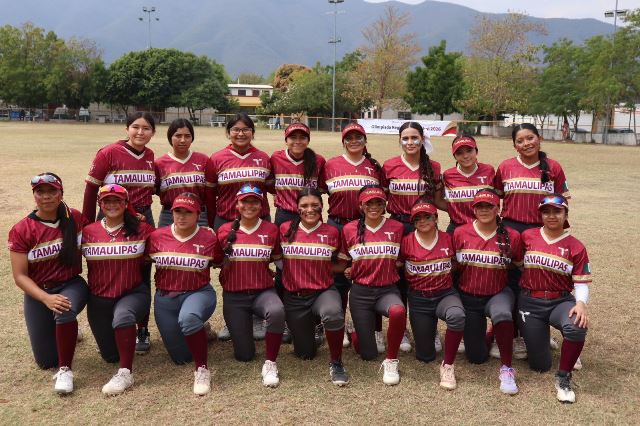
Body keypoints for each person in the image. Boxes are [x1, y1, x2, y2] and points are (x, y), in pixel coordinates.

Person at [82, 111, 157, 354]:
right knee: (105, 271)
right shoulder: (109, 152)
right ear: (127, 129)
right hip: (111, 213)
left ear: (153, 132)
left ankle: (142, 329)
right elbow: (91, 189)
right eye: (135, 126)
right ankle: (106, 323)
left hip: (143, 217)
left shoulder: (150, 155)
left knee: (142, 273)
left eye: (146, 128)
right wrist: (86, 223)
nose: (140, 132)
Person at [494, 123, 571, 359]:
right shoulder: (505, 167)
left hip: (541, 232)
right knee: (513, 283)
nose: (526, 143)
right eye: (520, 140)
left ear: (539, 139)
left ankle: (540, 330)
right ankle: (516, 336)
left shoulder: (554, 167)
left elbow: (562, 204)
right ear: (514, 145)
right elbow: (495, 200)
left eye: (530, 138)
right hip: (512, 230)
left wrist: (556, 234)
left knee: (540, 281)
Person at [8, 173, 88, 394]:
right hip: (39, 292)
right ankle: (69, 331)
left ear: (61, 193)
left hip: (71, 284)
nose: (46, 196)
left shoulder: (75, 218)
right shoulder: (22, 229)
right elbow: (20, 276)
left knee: (63, 308)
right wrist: (45, 298)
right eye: (40, 192)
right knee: (45, 361)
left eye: (52, 191)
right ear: (34, 195)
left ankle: (65, 370)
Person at [81, 184, 154, 395]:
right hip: (99, 299)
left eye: (117, 201)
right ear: (100, 204)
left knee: (123, 317)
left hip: (132, 292)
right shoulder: (88, 232)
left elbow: (168, 242)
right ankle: (117, 347)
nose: (112, 205)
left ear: (126, 203)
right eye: (107, 201)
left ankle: (125, 373)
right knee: (110, 356)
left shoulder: (142, 229)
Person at [205, 112, 272, 341]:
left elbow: (272, 188)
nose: (241, 133)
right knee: (230, 269)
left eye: (245, 129)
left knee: (258, 266)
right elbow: (210, 195)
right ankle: (232, 317)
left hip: (259, 221)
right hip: (226, 219)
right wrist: (214, 224)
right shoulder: (217, 158)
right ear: (228, 132)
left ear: (252, 132)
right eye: (235, 129)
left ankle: (257, 317)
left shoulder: (263, 158)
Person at [147, 192, 223, 395]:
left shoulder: (209, 237)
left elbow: (221, 262)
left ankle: (202, 369)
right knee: (181, 358)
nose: (181, 216)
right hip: (165, 298)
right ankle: (202, 331)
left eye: (188, 212)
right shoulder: (156, 236)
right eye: (177, 211)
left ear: (198, 214)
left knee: (188, 318)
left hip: (197, 293)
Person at [381, 121, 445, 353]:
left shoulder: (433, 166)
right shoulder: (389, 165)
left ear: (422, 139)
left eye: (414, 137)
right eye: (405, 138)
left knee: (427, 278)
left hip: (425, 227)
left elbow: (438, 200)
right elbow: (379, 199)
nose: (410, 142)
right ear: (399, 140)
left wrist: (467, 214)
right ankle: (402, 329)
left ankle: (431, 329)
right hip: (397, 227)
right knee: (398, 279)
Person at [518, 195, 590, 403]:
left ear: (565, 214)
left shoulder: (576, 246)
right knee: (540, 365)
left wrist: (581, 303)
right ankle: (545, 340)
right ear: (540, 215)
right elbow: (516, 263)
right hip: (530, 302)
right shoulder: (527, 236)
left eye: (557, 211)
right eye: (546, 211)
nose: (551, 216)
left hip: (560, 301)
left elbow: (580, 282)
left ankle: (564, 376)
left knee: (576, 325)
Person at [453, 189, 523, 395]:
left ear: (497, 209)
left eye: (489, 206)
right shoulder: (460, 233)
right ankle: (491, 335)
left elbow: (517, 265)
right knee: (476, 357)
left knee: (502, 314)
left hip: (497, 292)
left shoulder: (512, 235)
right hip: (469, 295)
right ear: (474, 210)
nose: (484, 210)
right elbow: (454, 266)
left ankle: (507, 368)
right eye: (479, 206)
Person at [216, 185, 285, 387]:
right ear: (237, 204)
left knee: (277, 310)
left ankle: (270, 362)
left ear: (261, 205)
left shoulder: (271, 229)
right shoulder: (224, 230)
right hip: (234, 295)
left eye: (254, 201)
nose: (249, 205)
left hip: (263, 292)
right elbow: (215, 261)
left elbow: (279, 261)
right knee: (244, 355)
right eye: (245, 201)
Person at [320, 122, 382, 349]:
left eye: (359, 137)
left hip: (366, 227)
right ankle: (338, 325)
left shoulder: (374, 166)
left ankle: (373, 328)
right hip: (337, 224)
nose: (354, 141)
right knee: (338, 278)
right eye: (349, 138)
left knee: (370, 277)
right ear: (343, 141)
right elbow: (319, 193)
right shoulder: (330, 165)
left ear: (365, 141)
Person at [280, 188, 349, 386]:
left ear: (322, 206)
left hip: (323, 292)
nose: (309, 209)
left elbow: (341, 264)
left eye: (314, 205)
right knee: (305, 353)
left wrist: (320, 267)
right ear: (297, 208)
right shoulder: (285, 229)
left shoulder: (332, 232)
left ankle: (336, 362)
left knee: (333, 313)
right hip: (295, 296)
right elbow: (275, 257)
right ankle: (314, 329)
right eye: (304, 205)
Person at [338, 186, 406, 385]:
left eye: (378, 203)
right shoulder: (349, 229)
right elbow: (344, 261)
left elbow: (402, 259)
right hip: (360, 292)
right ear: (361, 206)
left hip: (387, 289)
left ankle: (391, 360)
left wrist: (384, 263)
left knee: (398, 311)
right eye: (369, 203)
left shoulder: (397, 227)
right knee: (368, 354)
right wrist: (349, 269)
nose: (374, 207)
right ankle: (353, 331)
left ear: (385, 205)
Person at [269, 122, 326, 343]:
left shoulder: (318, 161)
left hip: (311, 216)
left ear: (308, 140)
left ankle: (316, 321)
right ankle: (285, 321)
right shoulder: (275, 158)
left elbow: (321, 189)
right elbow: (269, 184)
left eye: (302, 137)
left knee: (314, 267)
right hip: (285, 216)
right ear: (286, 139)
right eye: (293, 137)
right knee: (283, 269)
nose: (297, 141)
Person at [400, 199, 464, 390]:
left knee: (457, 315)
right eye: (417, 218)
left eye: (427, 216)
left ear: (436, 218)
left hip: (445, 294)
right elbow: (398, 264)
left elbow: (456, 263)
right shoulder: (406, 241)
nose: (422, 221)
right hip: (419, 299)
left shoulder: (448, 238)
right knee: (425, 356)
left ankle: (448, 365)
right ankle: (430, 331)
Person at [155, 118, 209, 228]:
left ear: (192, 138)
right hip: (169, 216)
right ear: (170, 137)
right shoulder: (159, 164)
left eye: (187, 136)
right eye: (178, 136)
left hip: (199, 215)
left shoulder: (203, 160)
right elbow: (155, 190)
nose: (183, 140)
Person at [442, 135, 495, 235]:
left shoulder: (489, 171)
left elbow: (497, 196)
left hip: (485, 228)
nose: (465, 156)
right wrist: (454, 209)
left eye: (469, 151)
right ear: (454, 156)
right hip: (457, 228)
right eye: (459, 153)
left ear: (476, 151)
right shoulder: (448, 175)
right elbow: (439, 200)